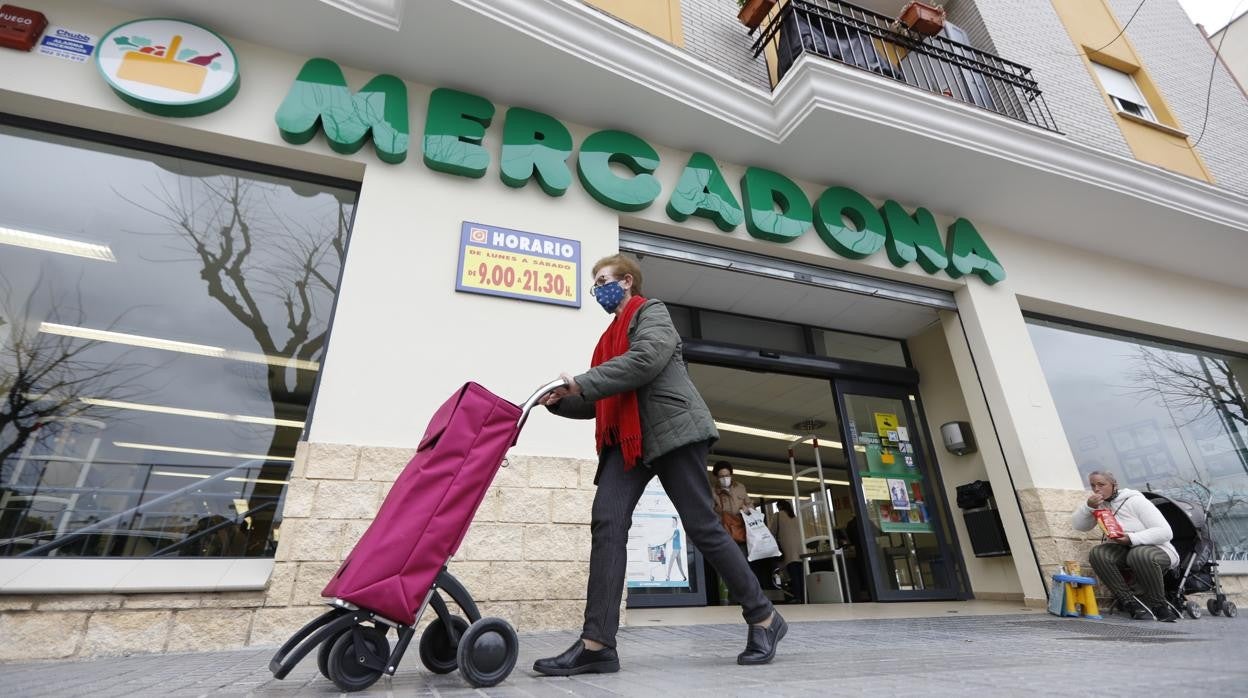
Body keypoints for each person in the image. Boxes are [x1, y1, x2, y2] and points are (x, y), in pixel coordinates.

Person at [534, 254, 786, 676]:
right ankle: (598, 644)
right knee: (607, 523)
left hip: (672, 428)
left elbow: (645, 361)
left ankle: (764, 617)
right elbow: (603, 399)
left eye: (603, 281)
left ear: (627, 281)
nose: (597, 290)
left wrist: (582, 381)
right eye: (595, 284)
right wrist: (562, 403)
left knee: (702, 526)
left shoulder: (652, 312)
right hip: (627, 441)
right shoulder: (607, 338)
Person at [1071, 471, 1179, 621]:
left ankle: (1159, 606)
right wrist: (1088, 507)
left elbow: (1165, 532)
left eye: (1101, 484)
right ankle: (1129, 602)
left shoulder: (1135, 501)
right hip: (1124, 551)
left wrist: (1131, 538)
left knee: (1139, 554)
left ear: (1114, 485)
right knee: (1098, 553)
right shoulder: (1099, 505)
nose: (1096, 489)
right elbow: (1079, 526)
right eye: (1093, 485)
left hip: (1158, 550)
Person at [711, 461, 753, 551]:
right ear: (716, 477)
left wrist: (748, 511)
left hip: (743, 530)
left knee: (745, 559)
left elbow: (750, 504)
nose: (725, 478)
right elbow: (710, 514)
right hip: (725, 534)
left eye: (727, 475)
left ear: (731, 475)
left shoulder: (740, 487)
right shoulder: (713, 492)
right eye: (722, 476)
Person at [769, 499, 805, 604]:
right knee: (800, 573)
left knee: (793, 573)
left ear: (779, 507)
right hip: (799, 548)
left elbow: (771, 532)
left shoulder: (778, 516)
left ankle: (797, 597)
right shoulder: (795, 517)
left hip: (788, 548)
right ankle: (804, 596)